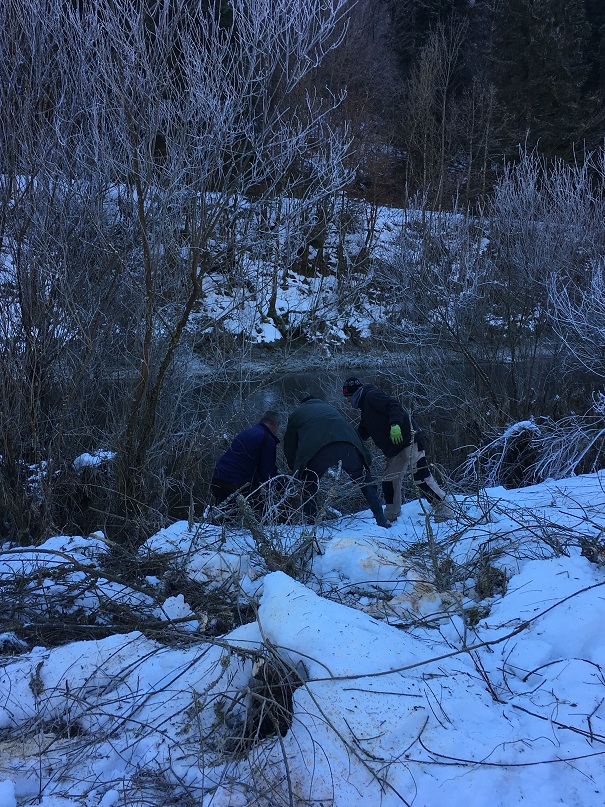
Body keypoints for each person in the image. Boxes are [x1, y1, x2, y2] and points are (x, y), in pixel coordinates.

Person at [342, 378, 456, 522]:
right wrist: (349, 439)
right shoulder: (365, 411)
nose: (348, 401)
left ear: (354, 394)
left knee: (421, 476)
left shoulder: (371, 395)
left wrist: (395, 424)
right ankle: (391, 513)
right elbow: (362, 433)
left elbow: (393, 405)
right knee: (389, 481)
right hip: (394, 449)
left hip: (409, 439)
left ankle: (445, 510)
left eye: (348, 397)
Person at [283, 395, 391, 528]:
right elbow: (353, 433)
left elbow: (290, 444)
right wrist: (366, 460)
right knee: (364, 479)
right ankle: (381, 519)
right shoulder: (331, 409)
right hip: (348, 446)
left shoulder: (297, 413)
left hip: (318, 451)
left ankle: (311, 525)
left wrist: (295, 468)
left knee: (309, 484)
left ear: (303, 404)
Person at [211, 410, 282, 508]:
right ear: (276, 425)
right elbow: (268, 471)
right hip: (236, 482)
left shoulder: (249, 432)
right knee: (257, 511)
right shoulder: (267, 438)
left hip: (218, 477)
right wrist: (282, 488)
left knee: (224, 513)